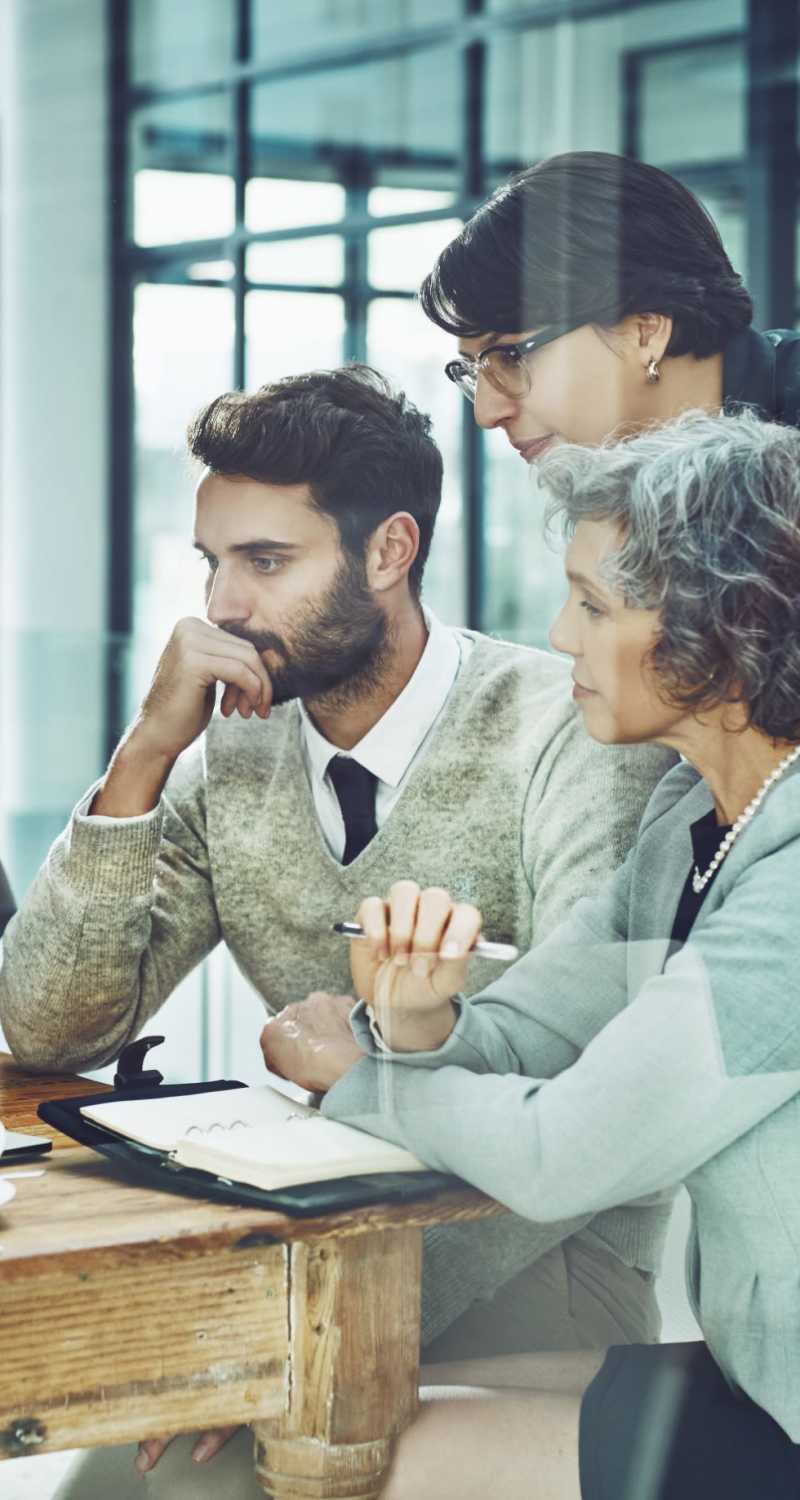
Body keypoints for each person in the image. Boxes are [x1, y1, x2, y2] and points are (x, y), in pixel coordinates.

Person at [0, 365, 672, 1495]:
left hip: (534, 1257)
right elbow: (45, 1027)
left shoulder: (570, 733)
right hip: (303, 1235)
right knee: (96, 1469)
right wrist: (142, 761)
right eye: (213, 563)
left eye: (266, 563)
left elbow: (575, 1090)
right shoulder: (234, 755)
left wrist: (265, 1336)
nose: (222, 608)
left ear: (388, 551)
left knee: (184, 1479)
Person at [317, 407, 800, 1500]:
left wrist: (357, 1083)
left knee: (376, 1461)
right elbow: (532, 1030)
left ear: (720, 632)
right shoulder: (696, 812)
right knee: (359, 1394)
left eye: (592, 605)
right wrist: (417, 1020)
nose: (555, 636)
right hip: (756, 1376)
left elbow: (564, 1154)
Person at [420, 150, 800, 459]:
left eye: (511, 358)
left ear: (645, 332)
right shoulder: (627, 470)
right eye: (473, 370)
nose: (486, 414)